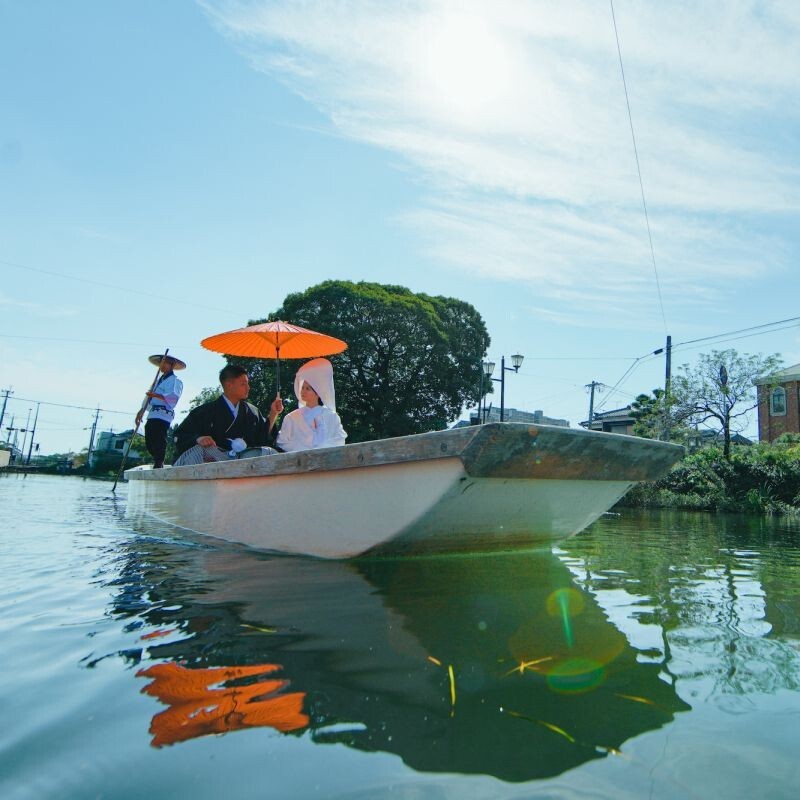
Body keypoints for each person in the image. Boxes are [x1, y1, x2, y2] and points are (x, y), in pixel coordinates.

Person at [173, 365, 283, 466]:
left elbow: (262, 438)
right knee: (198, 451)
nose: (248, 387)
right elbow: (180, 435)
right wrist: (198, 439)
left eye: (247, 383)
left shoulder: (252, 411)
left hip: (245, 463)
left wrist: (273, 413)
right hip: (215, 463)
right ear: (229, 385)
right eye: (243, 384)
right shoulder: (205, 411)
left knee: (268, 452)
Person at [276, 358, 347, 452]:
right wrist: (303, 449)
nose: (303, 391)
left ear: (318, 392)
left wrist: (322, 449)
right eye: (302, 388)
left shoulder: (332, 416)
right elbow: (282, 442)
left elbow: (340, 439)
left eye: (308, 389)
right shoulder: (291, 418)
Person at [135, 354, 186, 469]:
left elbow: (174, 397)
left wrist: (157, 395)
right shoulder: (158, 380)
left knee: (158, 436)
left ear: (171, 365)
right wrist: (142, 410)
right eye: (161, 364)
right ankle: (157, 458)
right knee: (149, 437)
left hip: (164, 413)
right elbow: (149, 398)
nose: (162, 366)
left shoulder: (175, 381)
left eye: (165, 363)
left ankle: (159, 461)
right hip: (153, 412)